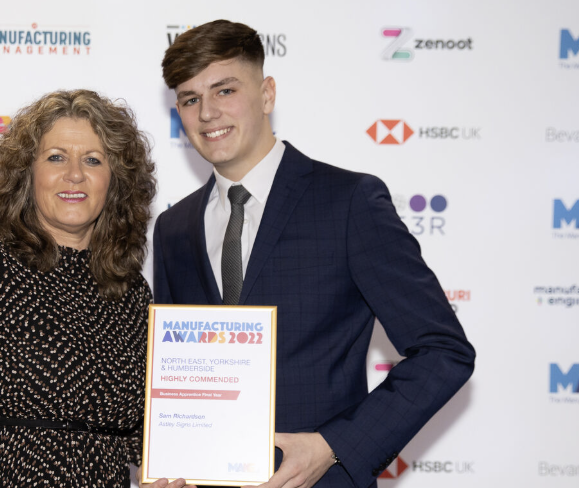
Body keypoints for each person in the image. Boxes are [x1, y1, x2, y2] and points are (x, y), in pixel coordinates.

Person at [152, 20, 476, 488]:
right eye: (189, 99)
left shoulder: (348, 202)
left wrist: (332, 446)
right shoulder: (173, 228)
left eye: (225, 90)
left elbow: (444, 351)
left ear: (267, 94)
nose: (207, 113)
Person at [0, 89, 176, 488]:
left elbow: (133, 431)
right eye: (56, 157)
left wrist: (175, 463)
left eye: (93, 160)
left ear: (115, 181)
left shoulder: (131, 292)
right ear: (27, 174)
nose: (74, 174)